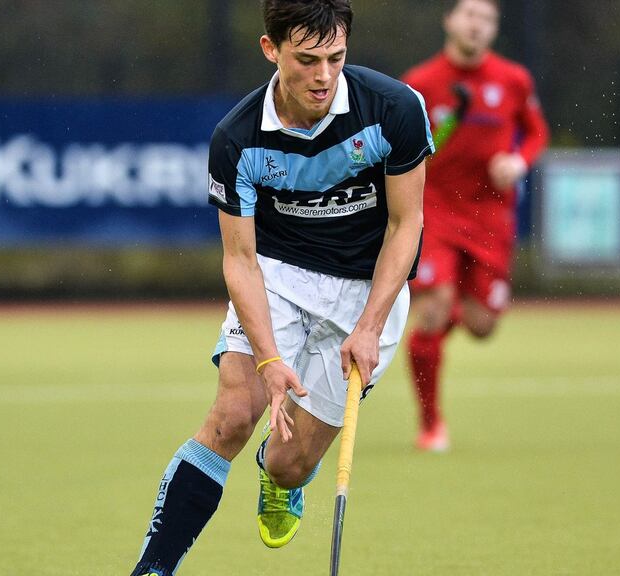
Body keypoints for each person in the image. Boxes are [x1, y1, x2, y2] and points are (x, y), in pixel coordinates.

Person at [127, 1, 433, 574]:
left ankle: (279, 475)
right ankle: (152, 569)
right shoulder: (236, 139)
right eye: (307, 59)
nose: (323, 77)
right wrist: (267, 359)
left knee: (290, 463)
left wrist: (368, 326)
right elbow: (241, 261)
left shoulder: (393, 109)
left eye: (336, 58)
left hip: (365, 290)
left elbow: (405, 224)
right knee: (232, 415)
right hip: (277, 277)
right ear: (271, 49)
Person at [401, 0, 548, 451]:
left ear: (494, 29)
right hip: (437, 212)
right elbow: (404, 151)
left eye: (487, 19)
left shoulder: (514, 80)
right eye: (469, 15)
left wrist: (518, 161)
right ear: (449, 20)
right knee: (437, 302)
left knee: (484, 325)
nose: (477, 25)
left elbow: (536, 132)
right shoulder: (419, 84)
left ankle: (431, 332)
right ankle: (432, 425)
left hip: (490, 218)